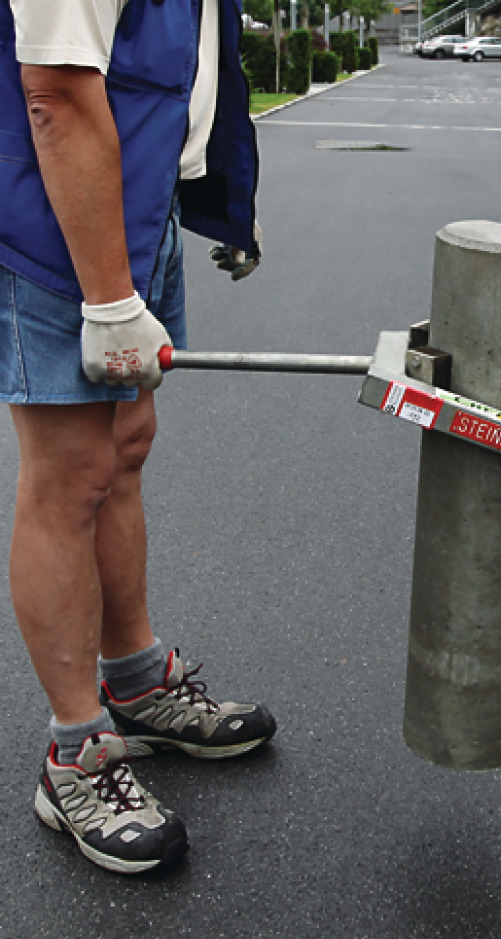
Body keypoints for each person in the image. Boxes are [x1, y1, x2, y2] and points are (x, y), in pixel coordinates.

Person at [0, 0, 276, 875]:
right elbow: (55, 93)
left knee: (124, 452)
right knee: (70, 474)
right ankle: (74, 754)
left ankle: (137, 681)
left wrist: (220, 198)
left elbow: (175, 71)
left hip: (131, 202)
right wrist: (110, 299)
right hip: (52, 220)